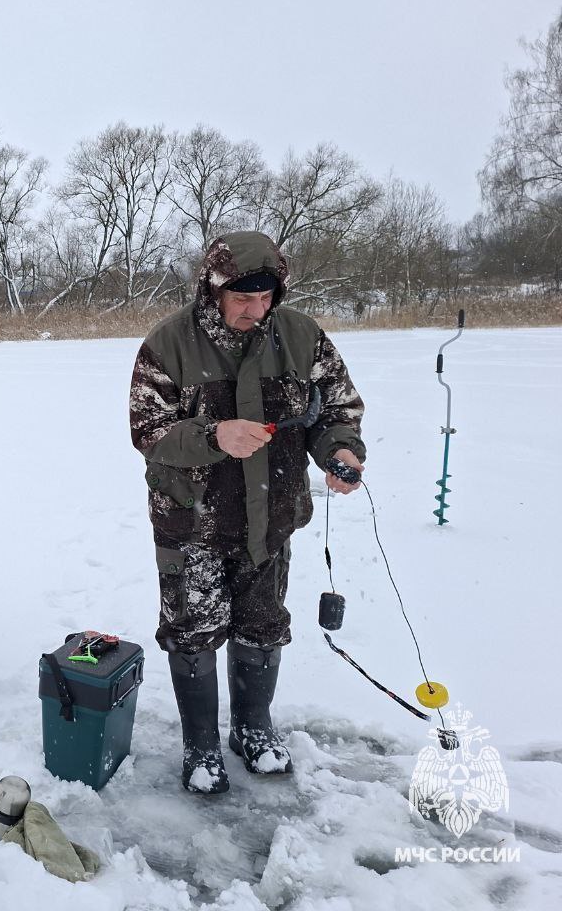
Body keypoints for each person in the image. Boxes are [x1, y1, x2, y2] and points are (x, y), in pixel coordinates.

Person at [128, 231, 365, 794]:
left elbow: (335, 407)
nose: (255, 311)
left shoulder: (303, 337)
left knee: (262, 625)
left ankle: (253, 729)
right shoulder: (168, 344)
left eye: (266, 299)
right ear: (213, 289)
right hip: (193, 522)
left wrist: (340, 449)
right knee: (192, 631)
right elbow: (148, 430)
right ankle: (202, 744)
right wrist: (214, 435)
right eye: (242, 299)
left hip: (272, 517)